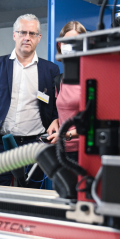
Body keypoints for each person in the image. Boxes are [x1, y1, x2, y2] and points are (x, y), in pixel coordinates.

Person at [0, 14, 60, 187]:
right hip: (1, 143)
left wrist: (55, 119)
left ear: (39, 38)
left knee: (33, 193)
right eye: (23, 32)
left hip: (34, 144)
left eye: (32, 33)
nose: (27, 37)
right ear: (14, 35)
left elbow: (56, 105)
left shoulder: (50, 70)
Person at [46, 21, 87, 163]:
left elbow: (95, 122)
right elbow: (68, 111)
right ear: (59, 45)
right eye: (66, 42)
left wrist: (66, 134)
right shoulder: (60, 80)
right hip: (62, 150)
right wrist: (56, 121)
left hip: (84, 152)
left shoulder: (92, 77)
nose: (70, 46)